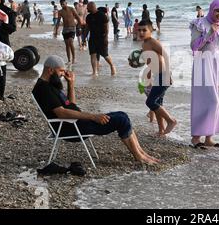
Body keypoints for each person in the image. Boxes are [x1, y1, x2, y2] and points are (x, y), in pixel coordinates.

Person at [32, 56, 160, 165]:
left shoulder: (50, 85)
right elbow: (62, 113)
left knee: (122, 115)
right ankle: (138, 155)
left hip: (74, 123)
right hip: (70, 128)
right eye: (61, 71)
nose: (62, 75)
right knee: (121, 120)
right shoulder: (44, 89)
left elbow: (70, 105)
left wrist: (71, 84)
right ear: (50, 70)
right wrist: (93, 116)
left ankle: (141, 152)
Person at [189, 0, 219, 148]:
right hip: (203, 61)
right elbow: (194, 46)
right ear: (211, 9)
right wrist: (210, 32)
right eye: (218, 10)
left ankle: (209, 137)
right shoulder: (200, 23)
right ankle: (196, 138)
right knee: (205, 99)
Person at [138, 20, 177, 137]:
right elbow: (151, 61)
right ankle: (161, 131)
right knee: (158, 103)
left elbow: (165, 55)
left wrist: (168, 74)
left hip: (163, 75)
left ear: (151, 30)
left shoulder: (153, 42)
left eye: (144, 30)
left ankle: (171, 121)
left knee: (150, 102)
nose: (141, 32)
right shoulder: (144, 44)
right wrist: (148, 75)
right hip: (156, 76)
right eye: (139, 30)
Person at [85, 2, 117, 77]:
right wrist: (84, 38)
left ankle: (112, 66)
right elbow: (87, 28)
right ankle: (94, 72)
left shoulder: (102, 15)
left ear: (92, 7)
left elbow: (106, 28)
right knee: (93, 55)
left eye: (88, 8)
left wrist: (106, 38)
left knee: (105, 55)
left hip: (101, 38)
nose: (87, 9)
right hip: (92, 38)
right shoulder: (88, 17)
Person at [55, 0, 84, 64]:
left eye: (63, 4)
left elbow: (77, 17)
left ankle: (73, 58)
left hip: (72, 28)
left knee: (70, 42)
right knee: (67, 45)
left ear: (66, 3)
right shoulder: (60, 12)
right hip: (65, 29)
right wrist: (56, 31)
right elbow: (58, 22)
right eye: (61, 4)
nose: (63, 5)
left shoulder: (71, 9)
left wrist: (80, 27)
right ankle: (69, 60)